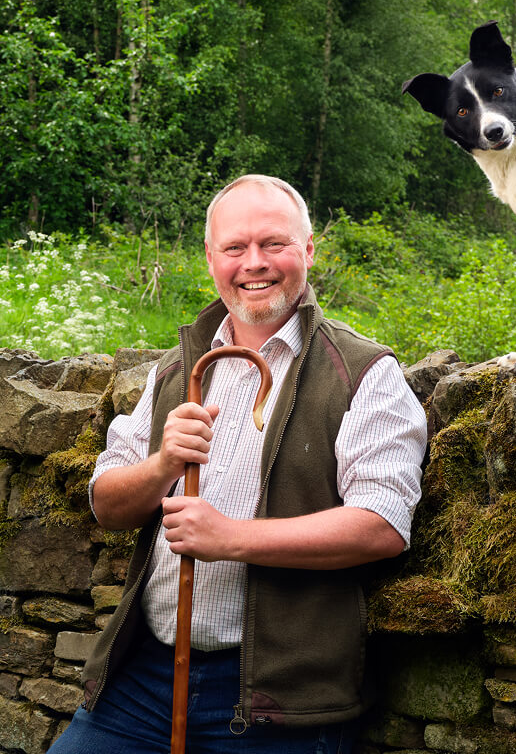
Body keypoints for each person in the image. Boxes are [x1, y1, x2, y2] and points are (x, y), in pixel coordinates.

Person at [51, 175, 429, 754]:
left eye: (274, 243)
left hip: (279, 695)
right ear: (211, 259)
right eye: (235, 247)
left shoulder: (363, 372)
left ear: (308, 250)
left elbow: (381, 526)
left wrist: (230, 538)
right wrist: (162, 465)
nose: (254, 263)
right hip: (143, 679)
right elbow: (107, 505)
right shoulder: (176, 369)